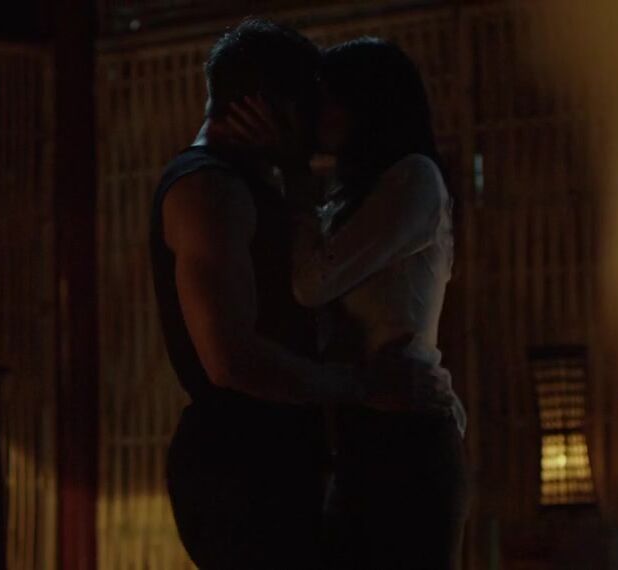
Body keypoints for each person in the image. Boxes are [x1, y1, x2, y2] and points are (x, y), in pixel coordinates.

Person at [151, 19, 405, 569]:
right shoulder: (209, 190)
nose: (317, 128)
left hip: (271, 458)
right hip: (241, 473)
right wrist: (357, 385)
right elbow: (231, 359)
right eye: (308, 107)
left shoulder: (247, 184)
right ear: (270, 106)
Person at [222, 37, 469, 569]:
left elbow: (312, 283)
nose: (318, 114)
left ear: (367, 105)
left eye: (330, 100)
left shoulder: (414, 179)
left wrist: (293, 173)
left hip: (408, 433)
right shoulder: (350, 194)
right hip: (362, 428)